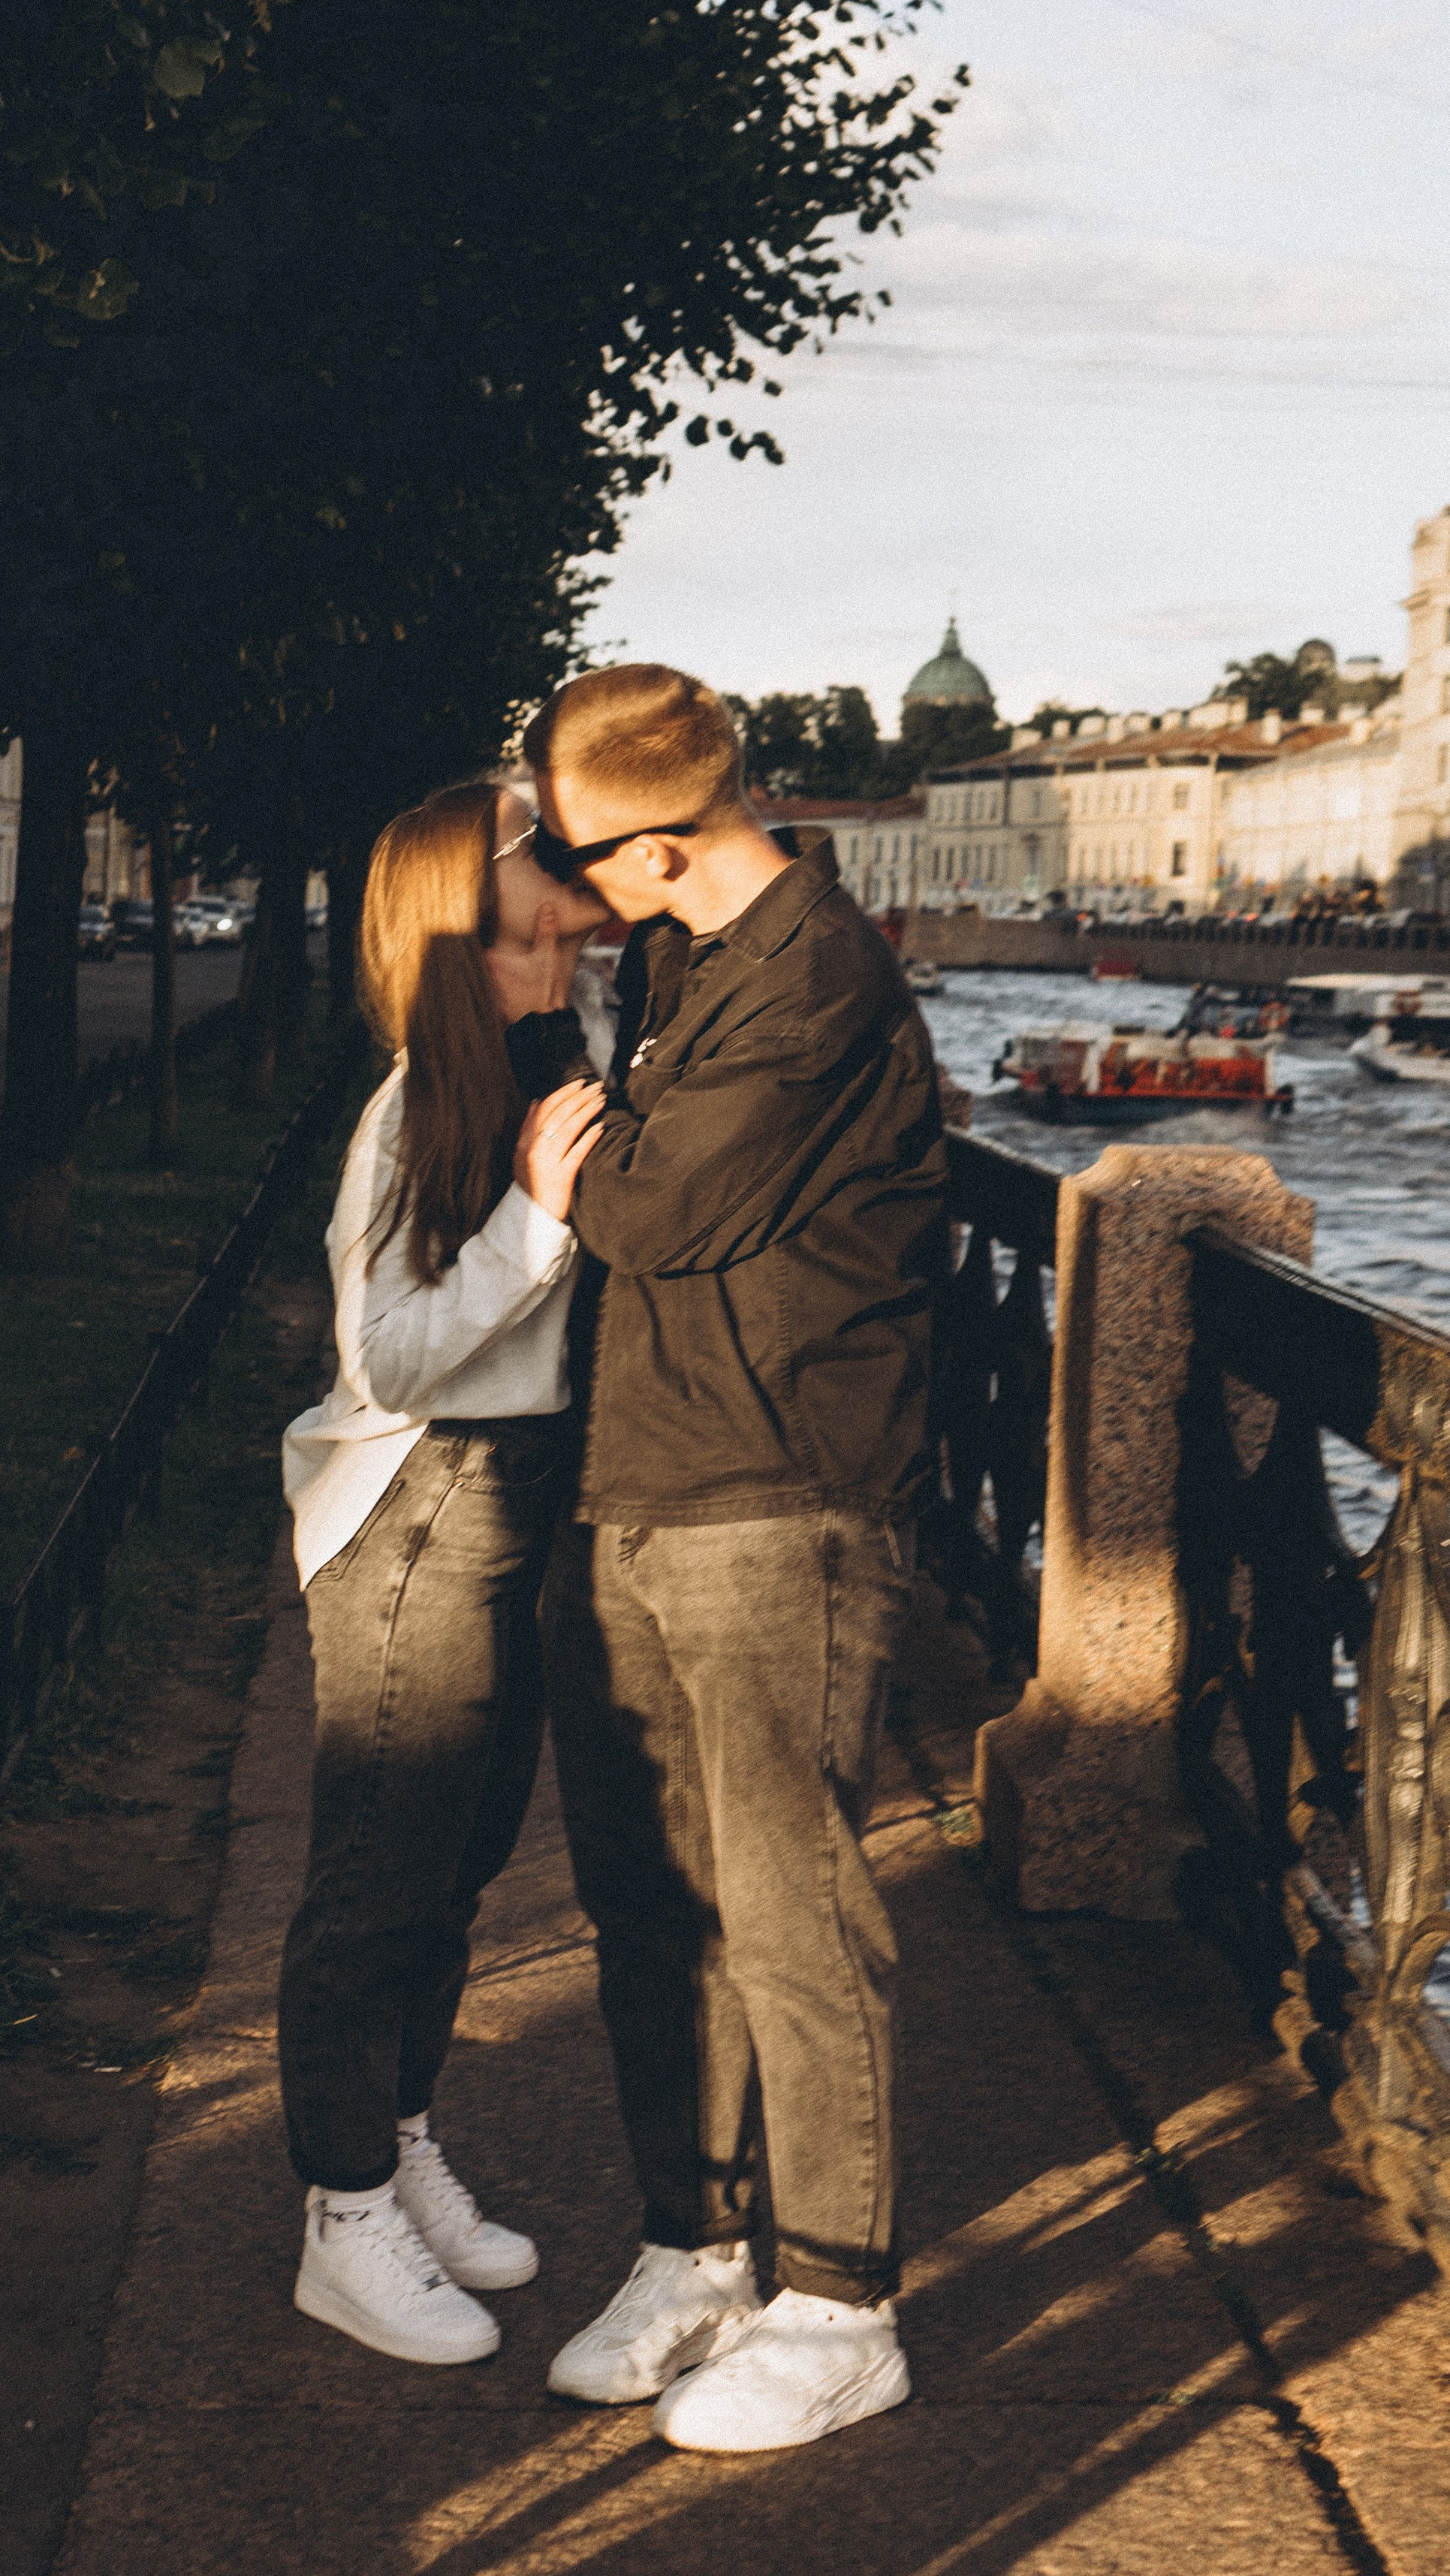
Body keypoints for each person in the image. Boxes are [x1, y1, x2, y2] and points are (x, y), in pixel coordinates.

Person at [521, 663, 947, 2455]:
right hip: (643, 1475)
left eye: (568, 851)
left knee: (791, 1910)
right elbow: (647, 1188)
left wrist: (573, 1146)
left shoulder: (819, 977)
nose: (555, 881)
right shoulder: (680, 955)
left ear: (656, 845)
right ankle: (694, 2252)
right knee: (650, 1900)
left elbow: (648, 1205)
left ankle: (842, 2305)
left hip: (783, 1496)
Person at [278, 780, 613, 2368]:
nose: (554, 972)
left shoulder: (531, 1070)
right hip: (417, 1512)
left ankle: (399, 2145)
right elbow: (392, 1357)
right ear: (447, 947)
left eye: (569, 946)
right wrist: (538, 1218)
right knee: (374, 1884)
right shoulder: (414, 1109)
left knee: (457, 1868)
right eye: (526, 944)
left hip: (509, 1505)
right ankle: (340, 2217)